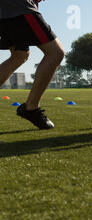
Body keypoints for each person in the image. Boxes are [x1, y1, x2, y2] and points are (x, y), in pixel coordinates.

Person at [0, 0, 65, 129]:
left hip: (6, 12)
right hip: (19, 8)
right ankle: (31, 108)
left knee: (20, 54)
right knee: (55, 53)